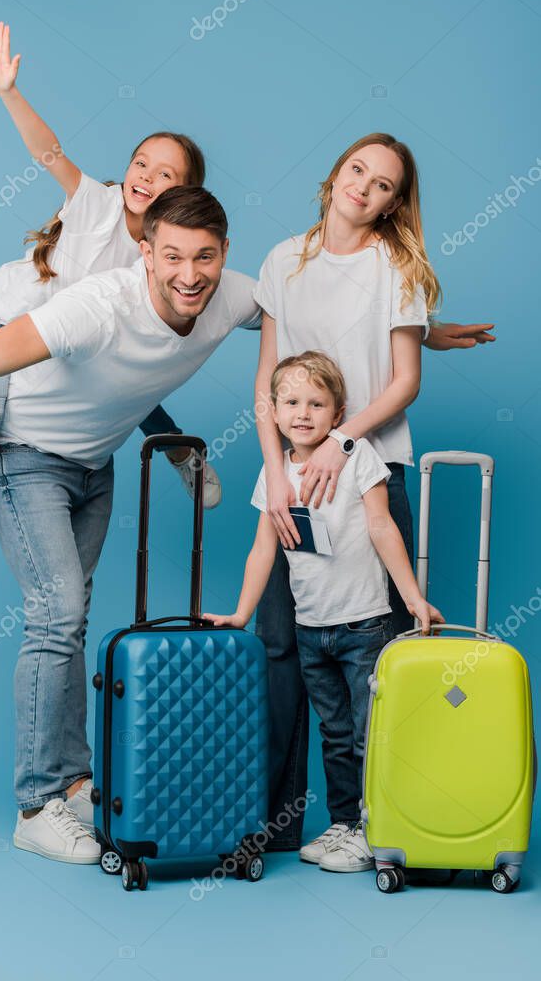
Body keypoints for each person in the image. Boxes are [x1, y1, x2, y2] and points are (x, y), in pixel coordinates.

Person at [0, 186, 262, 864]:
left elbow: (312, 301)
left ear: (224, 254)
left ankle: (75, 781)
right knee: (57, 612)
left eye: (204, 257)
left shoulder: (237, 295)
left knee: (68, 621)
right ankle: (35, 804)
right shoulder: (98, 305)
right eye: (171, 256)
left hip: (93, 467)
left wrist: (418, 330)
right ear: (144, 252)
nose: (188, 275)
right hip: (25, 459)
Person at [0, 21, 220, 628]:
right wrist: (8, 91)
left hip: (70, 348)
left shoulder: (167, 255)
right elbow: (49, 152)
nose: (145, 178)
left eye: (165, 175)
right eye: (141, 163)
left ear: (185, 196)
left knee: (134, 367)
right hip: (8, 321)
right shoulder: (98, 205)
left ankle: (180, 453)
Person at [252, 133, 495, 853]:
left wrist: (339, 442)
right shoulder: (280, 261)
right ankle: (274, 829)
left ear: (394, 202)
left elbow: (402, 381)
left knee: (374, 660)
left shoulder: (397, 266)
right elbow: (266, 384)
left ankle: (377, 825)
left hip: (369, 474)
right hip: (291, 478)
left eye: (383, 184)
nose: (365, 186)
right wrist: (274, 473)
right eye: (357, 170)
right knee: (281, 648)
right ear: (334, 175)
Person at [204, 351, 444, 871]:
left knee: (367, 732)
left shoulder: (358, 458)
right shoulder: (275, 478)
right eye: (290, 402)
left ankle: (375, 827)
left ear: (338, 415)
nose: (303, 413)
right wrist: (242, 615)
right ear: (273, 410)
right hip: (311, 631)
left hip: (366, 624)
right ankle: (344, 825)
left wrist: (412, 597)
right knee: (335, 734)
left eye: (317, 403)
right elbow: (262, 552)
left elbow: (384, 528)